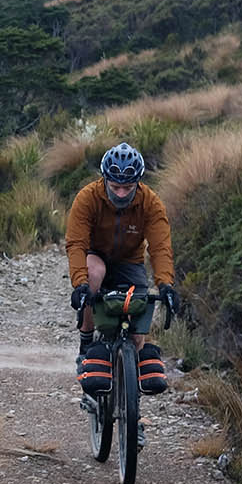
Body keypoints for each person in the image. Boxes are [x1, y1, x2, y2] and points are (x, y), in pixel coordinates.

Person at [66, 142, 179, 400]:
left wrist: (166, 285)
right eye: (115, 186)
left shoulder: (150, 203)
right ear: (105, 179)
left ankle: (132, 409)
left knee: (138, 331)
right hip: (96, 255)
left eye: (127, 188)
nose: (120, 193)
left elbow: (161, 248)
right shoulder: (88, 198)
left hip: (130, 262)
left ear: (137, 183)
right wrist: (80, 285)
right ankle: (86, 343)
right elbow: (76, 244)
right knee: (94, 274)